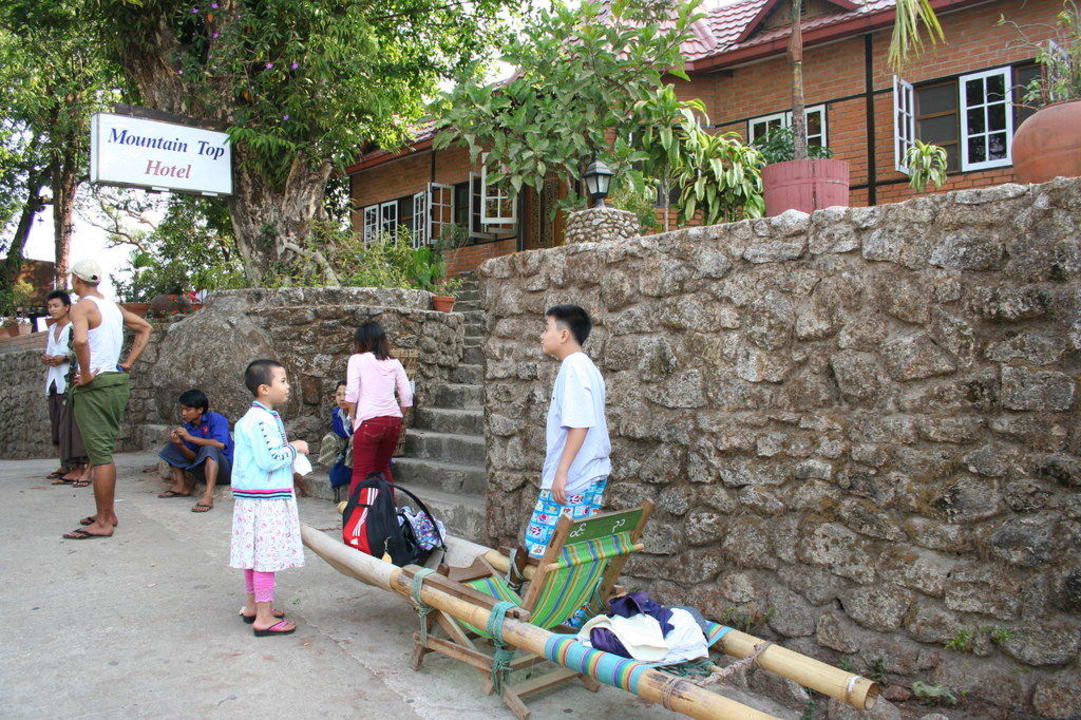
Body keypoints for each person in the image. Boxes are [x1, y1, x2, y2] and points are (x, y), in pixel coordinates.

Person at [62, 259, 153, 539]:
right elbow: (145, 328)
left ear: (77, 280)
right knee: (101, 451)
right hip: (115, 381)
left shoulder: (81, 306)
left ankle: (103, 522)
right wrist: (128, 362)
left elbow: (80, 341)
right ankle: (108, 513)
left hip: (96, 385)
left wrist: (87, 374)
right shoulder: (113, 307)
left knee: (100, 456)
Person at [523, 304, 611, 559]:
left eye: (546, 328)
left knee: (540, 551)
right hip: (589, 474)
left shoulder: (573, 367)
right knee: (573, 553)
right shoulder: (588, 367)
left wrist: (561, 473)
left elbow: (580, 424)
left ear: (564, 335)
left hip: (573, 480)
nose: (541, 335)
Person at [230, 359, 308, 636]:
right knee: (266, 557)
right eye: (283, 381)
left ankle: (254, 606)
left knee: (253, 555)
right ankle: (264, 617)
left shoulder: (255, 418)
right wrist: (295, 448)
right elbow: (270, 460)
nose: (288, 386)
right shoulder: (262, 420)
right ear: (264, 388)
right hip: (266, 501)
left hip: (251, 499)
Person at [344, 322, 412, 494]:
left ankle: (358, 511)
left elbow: (352, 393)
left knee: (361, 472)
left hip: (369, 420)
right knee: (383, 469)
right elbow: (407, 396)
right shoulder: (394, 363)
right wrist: (399, 417)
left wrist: (353, 418)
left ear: (361, 340)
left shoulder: (357, 360)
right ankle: (389, 509)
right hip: (393, 421)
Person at [40, 290, 90, 486]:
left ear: (67, 307)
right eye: (50, 306)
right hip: (54, 382)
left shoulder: (74, 327)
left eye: (56, 306)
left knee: (70, 426)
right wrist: (47, 358)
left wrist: (65, 358)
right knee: (57, 425)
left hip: (69, 381)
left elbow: (82, 350)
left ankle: (78, 467)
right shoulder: (52, 329)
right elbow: (51, 351)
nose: (52, 310)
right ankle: (65, 465)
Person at [157, 388, 234, 513]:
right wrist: (180, 444)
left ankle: (208, 496)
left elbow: (220, 444)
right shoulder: (188, 427)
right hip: (203, 471)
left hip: (225, 471)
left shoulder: (216, 419)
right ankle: (181, 486)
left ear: (200, 410)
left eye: (188, 410)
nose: (183, 413)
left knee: (210, 448)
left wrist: (190, 438)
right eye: (182, 409)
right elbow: (193, 457)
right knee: (174, 444)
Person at [316, 381, 353, 496]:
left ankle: (350, 477)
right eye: (338, 394)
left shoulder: (359, 411)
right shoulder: (337, 413)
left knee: (354, 440)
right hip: (345, 442)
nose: (342, 398)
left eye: (346, 394)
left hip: (359, 445)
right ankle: (335, 474)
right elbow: (338, 432)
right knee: (330, 438)